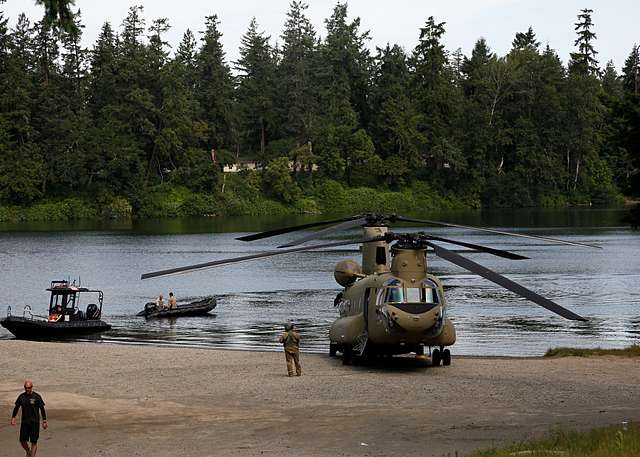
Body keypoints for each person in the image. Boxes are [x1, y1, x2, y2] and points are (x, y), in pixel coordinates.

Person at [11, 380, 48, 457]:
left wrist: (44, 420)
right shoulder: (21, 397)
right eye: (26, 387)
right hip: (25, 422)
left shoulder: (37, 396)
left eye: (29, 387)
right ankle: (28, 451)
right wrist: (13, 417)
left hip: (35, 422)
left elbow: (42, 409)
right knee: (22, 441)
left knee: (34, 442)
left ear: (32, 387)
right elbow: (16, 407)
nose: (27, 389)